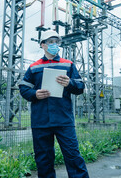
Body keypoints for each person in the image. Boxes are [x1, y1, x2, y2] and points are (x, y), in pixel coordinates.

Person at [19, 30, 89, 178]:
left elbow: (80, 87)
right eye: (50, 42)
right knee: (43, 160)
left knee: (73, 156)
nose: (54, 45)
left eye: (57, 42)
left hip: (63, 119)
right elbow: (24, 88)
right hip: (41, 121)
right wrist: (34, 94)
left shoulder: (68, 65)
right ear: (42, 45)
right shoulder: (34, 67)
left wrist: (69, 83)